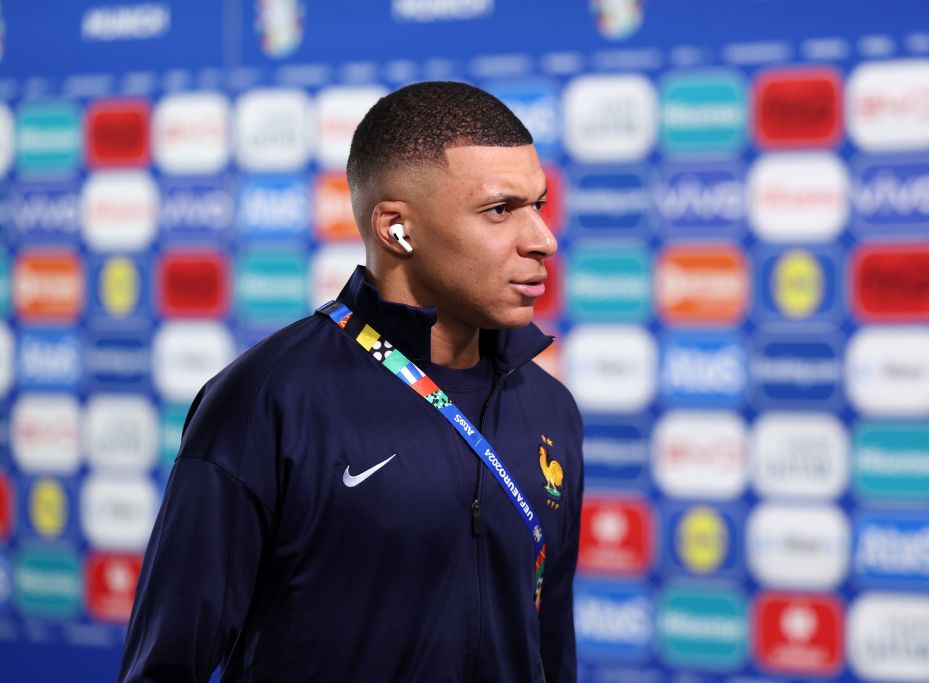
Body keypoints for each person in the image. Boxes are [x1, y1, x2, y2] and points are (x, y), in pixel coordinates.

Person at [118, 81, 583, 683]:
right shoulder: (268, 399)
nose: (542, 240)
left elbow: (551, 652)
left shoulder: (549, 406)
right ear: (397, 230)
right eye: (500, 210)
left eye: (538, 206)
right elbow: (167, 665)